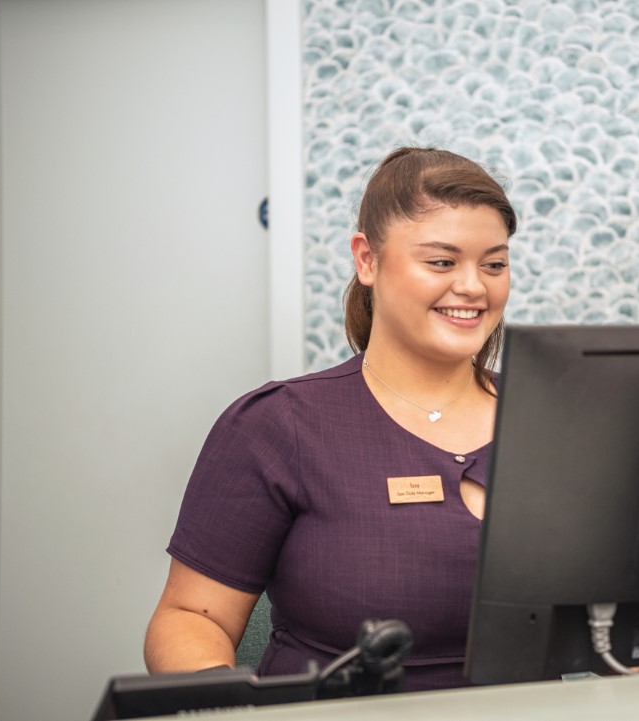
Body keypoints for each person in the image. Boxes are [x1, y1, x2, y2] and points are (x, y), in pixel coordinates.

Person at [143, 146, 517, 692]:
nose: (473, 287)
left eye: (494, 264)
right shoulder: (277, 426)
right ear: (367, 259)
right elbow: (192, 618)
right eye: (441, 261)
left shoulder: (554, 427)